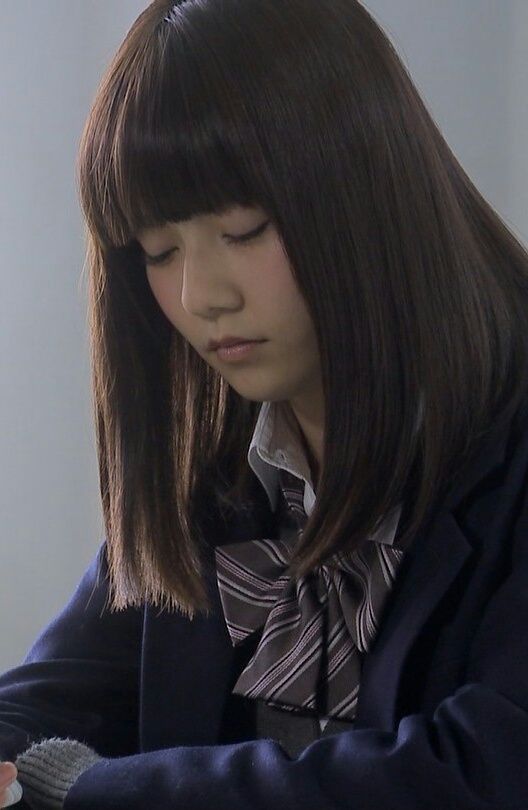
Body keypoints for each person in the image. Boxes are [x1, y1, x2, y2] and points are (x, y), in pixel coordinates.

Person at [2, 0, 528, 807]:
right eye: (158, 248)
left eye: (244, 229)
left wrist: (87, 790)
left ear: (368, 188)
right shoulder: (220, 469)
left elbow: (482, 772)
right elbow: (46, 701)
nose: (200, 296)